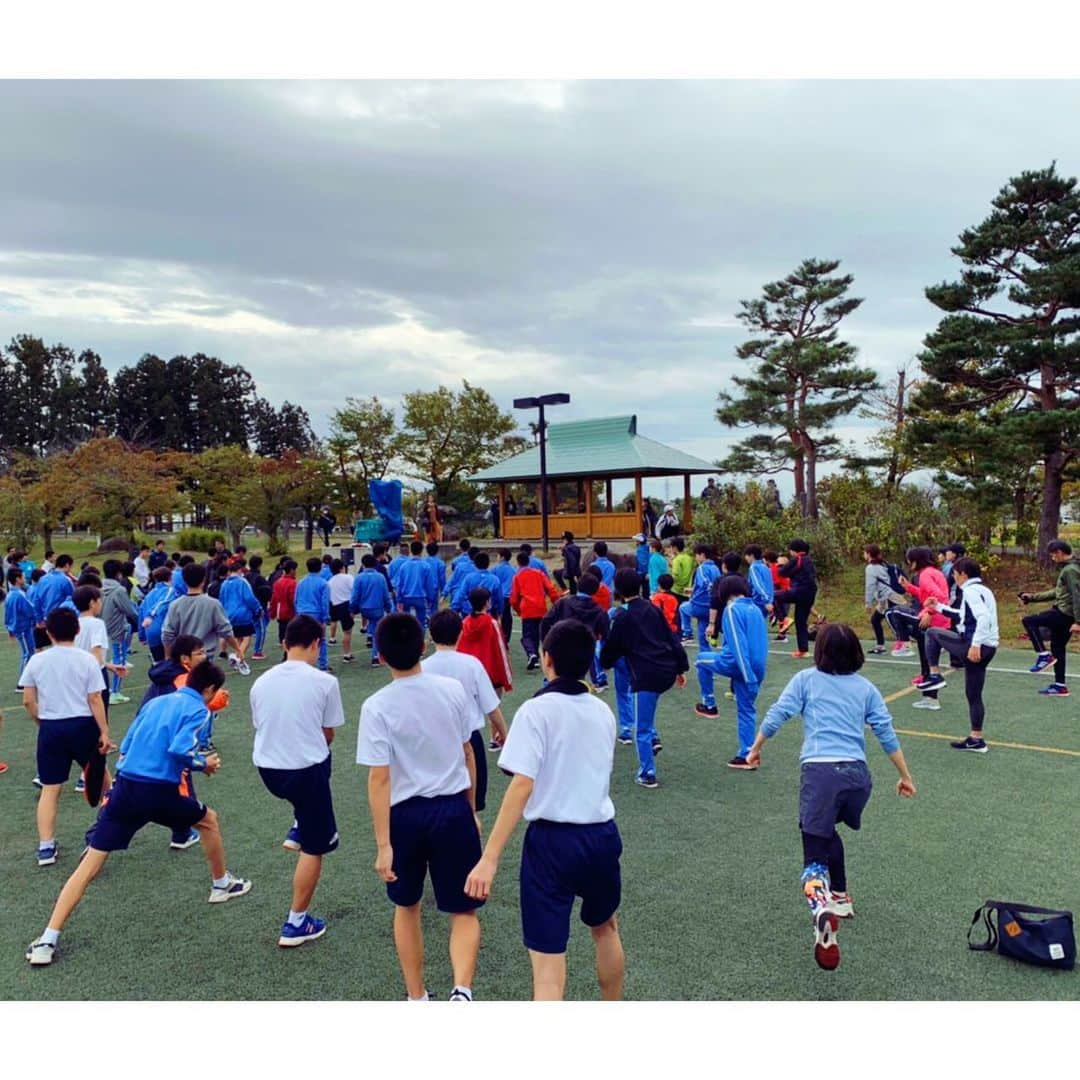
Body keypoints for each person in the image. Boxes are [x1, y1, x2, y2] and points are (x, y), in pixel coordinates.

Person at [25, 661, 252, 967]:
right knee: (208, 820)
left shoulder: (157, 702)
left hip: (125, 788)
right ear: (209, 689)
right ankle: (221, 885)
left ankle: (47, 939)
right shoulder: (199, 709)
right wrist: (204, 764)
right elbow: (179, 749)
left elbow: (129, 742)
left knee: (89, 866)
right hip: (157, 791)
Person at [464, 619, 625, 1000]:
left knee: (548, 959)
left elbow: (521, 783)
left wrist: (489, 858)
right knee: (606, 928)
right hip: (601, 836)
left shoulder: (536, 712)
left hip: (552, 843)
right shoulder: (603, 712)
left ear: (547, 659)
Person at [749, 625, 916, 970]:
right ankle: (840, 896)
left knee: (812, 853)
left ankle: (821, 908)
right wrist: (905, 776)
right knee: (827, 830)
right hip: (858, 778)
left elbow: (779, 713)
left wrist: (755, 748)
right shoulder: (866, 688)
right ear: (856, 651)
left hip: (821, 774)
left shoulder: (806, 680)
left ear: (820, 651)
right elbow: (885, 731)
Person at [356, 613, 484, 1002]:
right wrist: (472, 808)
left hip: (405, 817)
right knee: (463, 910)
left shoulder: (376, 705)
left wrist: (383, 845)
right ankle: (461, 990)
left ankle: (417, 997)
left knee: (407, 906)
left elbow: (379, 778)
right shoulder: (452, 690)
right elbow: (468, 753)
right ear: (423, 647)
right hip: (452, 809)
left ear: (381, 655)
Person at [251, 615, 345, 947]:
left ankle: (298, 823)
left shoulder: (260, 682)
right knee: (315, 847)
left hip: (268, 771)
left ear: (285, 644)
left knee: (314, 761)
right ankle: (296, 922)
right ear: (317, 644)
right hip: (305, 773)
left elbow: (262, 725)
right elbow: (329, 733)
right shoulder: (324, 682)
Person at [18, 608, 112, 868]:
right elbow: (95, 698)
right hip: (83, 726)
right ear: (78, 630)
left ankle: (46, 848)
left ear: (48, 632)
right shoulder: (87, 660)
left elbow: (28, 700)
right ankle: (110, 825)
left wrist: (42, 721)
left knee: (51, 789)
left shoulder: (37, 660)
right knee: (103, 778)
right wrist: (104, 731)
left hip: (52, 728)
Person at [600, 568, 690, 788]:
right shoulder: (652, 607)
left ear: (618, 590)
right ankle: (653, 736)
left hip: (646, 675)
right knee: (644, 713)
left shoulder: (622, 615)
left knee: (641, 727)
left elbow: (611, 649)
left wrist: (604, 663)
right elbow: (671, 639)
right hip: (666, 670)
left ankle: (647, 773)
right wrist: (681, 668)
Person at [423, 610, 508, 813]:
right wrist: (505, 735)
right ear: (460, 633)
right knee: (472, 806)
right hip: (470, 739)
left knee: (437, 800)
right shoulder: (471, 664)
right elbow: (492, 709)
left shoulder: (423, 667)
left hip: (433, 741)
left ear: (431, 636)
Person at [916, 558, 1000, 751]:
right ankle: (976, 738)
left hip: (977, 645)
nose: (953, 578)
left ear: (963, 574)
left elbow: (983, 618)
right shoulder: (984, 590)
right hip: (989, 647)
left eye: (954, 574)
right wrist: (938, 606)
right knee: (973, 694)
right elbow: (961, 616)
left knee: (932, 633)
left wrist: (976, 644)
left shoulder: (970, 591)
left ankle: (935, 675)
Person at [695, 576, 769, 769]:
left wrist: (747, 675)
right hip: (757, 666)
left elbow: (738, 644)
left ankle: (709, 703)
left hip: (738, 664)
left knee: (701, 659)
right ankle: (747, 754)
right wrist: (754, 673)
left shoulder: (732, 609)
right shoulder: (756, 610)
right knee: (746, 710)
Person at [1019, 539, 1080, 696]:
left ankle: (1044, 656)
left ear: (1060, 552)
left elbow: (1077, 595)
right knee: (1058, 648)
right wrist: (1032, 597)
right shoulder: (1069, 569)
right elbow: (1057, 592)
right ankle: (1060, 685)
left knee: (1029, 621)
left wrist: (1078, 622)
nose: (1053, 558)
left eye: (1053, 555)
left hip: (1063, 614)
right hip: (1066, 614)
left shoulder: (1070, 570)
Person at [162, 563, 244, 676]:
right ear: (204, 580)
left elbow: (167, 634)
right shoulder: (213, 604)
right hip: (204, 654)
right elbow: (226, 630)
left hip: (184, 657)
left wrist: (168, 656)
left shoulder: (175, 605)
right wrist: (237, 648)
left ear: (184, 581)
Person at [885, 547, 949, 679]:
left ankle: (904, 643)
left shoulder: (925, 575)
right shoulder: (934, 572)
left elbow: (941, 597)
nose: (909, 565)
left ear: (916, 561)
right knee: (923, 646)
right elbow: (926, 595)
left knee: (893, 612)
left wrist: (930, 613)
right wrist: (908, 587)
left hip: (934, 618)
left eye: (909, 561)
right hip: (941, 619)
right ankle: (926, 678)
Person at [458, 587, 515, 708]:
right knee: (494, 709)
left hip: (470, 673)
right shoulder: (491, 623)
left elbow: (460, 648)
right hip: (491, 673)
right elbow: (500, 649)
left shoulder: (465, 623)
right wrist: (506, 677)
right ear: (487, 602)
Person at [509, 551, 561, 670]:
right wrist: (556, 602)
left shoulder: (517, 577)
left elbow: (514, 598)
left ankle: (532, 654)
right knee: (539, 633)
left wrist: (518, 610)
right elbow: (550, 589)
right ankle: (537, 656)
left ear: (518, 563)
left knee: (527, 635)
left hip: (527, 608)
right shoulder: (538, 573)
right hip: (540, 607)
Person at [100, 560, 139, 704]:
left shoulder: (100, 587)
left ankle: (110, 690)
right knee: (119, 659)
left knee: (106, 658)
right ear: (119, 573)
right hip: (117, 627)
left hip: (102, 626)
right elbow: (130, 611)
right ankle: (115, 692)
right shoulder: (119, 590)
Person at [773, 539, 819, 658]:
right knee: (800, 621)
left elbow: (782, 573)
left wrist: (779, 564)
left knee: (773, 596)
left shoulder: (797, 558)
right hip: (810, 593)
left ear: (794, 550)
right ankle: (803, 650)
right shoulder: (809, 560)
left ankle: (784, 619)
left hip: (798, 591)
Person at [218, 558, 261, 676]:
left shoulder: (224, 584)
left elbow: (221, 600)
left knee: (237, 637)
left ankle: (239, 658)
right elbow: (249, 598)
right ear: (239, 570)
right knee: (247, 637)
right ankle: (238, 657)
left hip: (229, 614)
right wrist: (258, 609)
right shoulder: (242, 582)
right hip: (242, 613)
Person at [351, 553, 393, 667]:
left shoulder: (359, 577)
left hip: (364, 608)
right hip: (377, 608)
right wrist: (389, 608)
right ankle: (375, 656)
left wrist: (352, 609)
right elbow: (385, 595)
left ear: (363, 564)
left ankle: (369, 636)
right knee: (377, 629)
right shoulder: (380, 577)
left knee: (371, 624)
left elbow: (355, 596)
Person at [679, 544, 720, 649]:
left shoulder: (701, 568)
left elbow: (706, 583)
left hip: (701, 604)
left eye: (696, 555)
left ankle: (687, 634)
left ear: (702, 555)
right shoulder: (715, 568)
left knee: (683, 608)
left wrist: (699, 594)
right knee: (703, 635)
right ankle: (705, 656)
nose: (695, 557)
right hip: (712, 607)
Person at [295, 557, 332, 673]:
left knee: (303, 639)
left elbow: (296, 599)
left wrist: (297, 612)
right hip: (316, 614)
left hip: (302, 613)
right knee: (321, 639)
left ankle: (303, 663)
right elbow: (324, 602)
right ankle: (323, 665)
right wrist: (325, 618)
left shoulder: (301, 582)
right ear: (320, 567)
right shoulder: (323, 583)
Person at [5, 566, 37, 689]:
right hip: (23, 628)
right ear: (18, 579)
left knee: (29, 652)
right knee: (27, 653)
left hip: (19, 627)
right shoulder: (19, 595)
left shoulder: (11, 594)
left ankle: (28, 678)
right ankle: (22, 683)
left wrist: (8, 627)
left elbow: (7, 614)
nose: (24, 578)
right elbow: (30, 609)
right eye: (23, 577)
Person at [863, 544, 898, 655]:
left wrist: (868, 603)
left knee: (894, 622)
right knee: (876, 620)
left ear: (868, 554)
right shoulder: (883, 564)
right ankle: (880, 646)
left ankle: (905, 643)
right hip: (890, 596)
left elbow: (870, 586)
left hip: (887, 597)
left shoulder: (871, 568)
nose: (863, 554)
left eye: (864, 552)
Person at [138, 566, 176, 663]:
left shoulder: (149, 594)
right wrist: (151, 615)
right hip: (165, 632)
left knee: (159, 664)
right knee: (172, 664)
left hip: (150, 633)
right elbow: (163, 602)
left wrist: (142, 635)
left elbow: (141, 613)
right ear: (170, 577)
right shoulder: (170, 590)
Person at [454, 551, 504, 620]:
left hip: (469, 613)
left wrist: (455, 609)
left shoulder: (468, 578)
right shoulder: (494, 579)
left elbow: (461, 595)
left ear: (475, 564)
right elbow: (499, 599)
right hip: (487, 613)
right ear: (488, 564)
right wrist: (500, 613)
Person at [325, 557, 357, 664]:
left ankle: (346, 652)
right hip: (346, 605)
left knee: (340, 627)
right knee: (347, 632)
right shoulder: (348, 577)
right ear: (342, 567)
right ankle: (347, 654)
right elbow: (354, 591)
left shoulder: (330, 581)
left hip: (334, 605)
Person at [269, 559, 299, 659]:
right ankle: (289, 655)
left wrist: (272, 612)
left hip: (280, 613)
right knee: (293, 634)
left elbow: (274, 599)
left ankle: (286, 653)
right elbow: (293, 600)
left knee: (283, 634)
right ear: (291, 570)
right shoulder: (293, 583)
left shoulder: (278, 582)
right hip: (290, 613)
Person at [492, 548, 517, 645]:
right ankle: (506, 638)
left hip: (498, 596)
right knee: (507, 616)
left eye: (498, 556)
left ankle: (496, 637)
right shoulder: (513, 570)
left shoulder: (496, 569)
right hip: (508, 596)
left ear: (502, 557)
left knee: (495, 616)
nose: (497, 558)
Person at [742, 545, 774, 619]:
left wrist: (766, 600)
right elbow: (770, 585)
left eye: (746, 555)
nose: (745, 558)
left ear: (752, 555)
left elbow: (758, 585)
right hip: (766, 602)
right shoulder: (766, 567)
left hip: (758, 602)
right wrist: (770, 600)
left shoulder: (754, 567)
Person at [423, 541, 446, 617]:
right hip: (434, 588)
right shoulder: (440, 563)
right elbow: (442, 578)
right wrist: (443, 591)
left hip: (423, 587)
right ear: (437, 551)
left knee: (425, 607)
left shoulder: (423, 562)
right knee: (434, 608)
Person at [668, 537, 693, 604]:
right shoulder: (689, 558)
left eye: (671, 547)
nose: (670, 549)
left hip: (676, 590)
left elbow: (675, 576)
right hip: (687, 590)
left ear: (675, 548)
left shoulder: (677, 560)